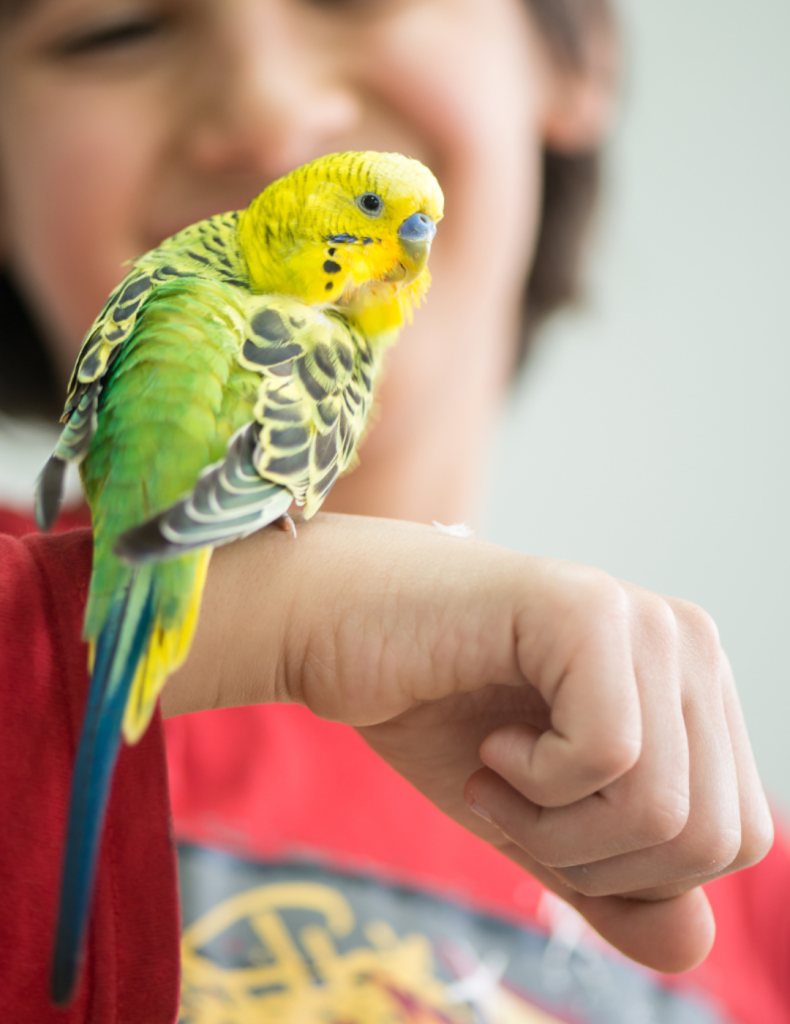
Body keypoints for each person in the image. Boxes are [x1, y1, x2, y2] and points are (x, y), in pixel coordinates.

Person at [0, 2, 787, 1023]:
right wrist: (284, 618)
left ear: (576, 50)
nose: (267, 116)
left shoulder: (735, 891)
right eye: (114, 30)